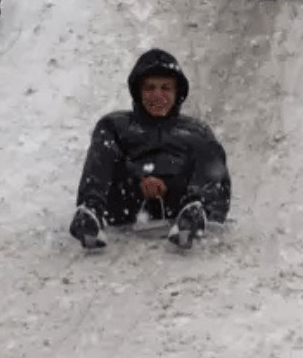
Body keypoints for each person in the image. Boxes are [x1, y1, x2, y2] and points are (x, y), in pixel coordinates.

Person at [68, 49, 231, 250]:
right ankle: (91, 214)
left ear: (176, 93)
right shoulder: (117, 125)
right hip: (127, 200)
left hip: (178, 203)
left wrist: (175, 188)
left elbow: (216, 179)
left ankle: (195, 217)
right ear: (138, 92)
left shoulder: (195, 130)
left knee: (210, 148)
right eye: (150, 88)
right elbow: (107, 162)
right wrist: (139, 179)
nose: (157, 95)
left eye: (165, 88)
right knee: (104, 142)